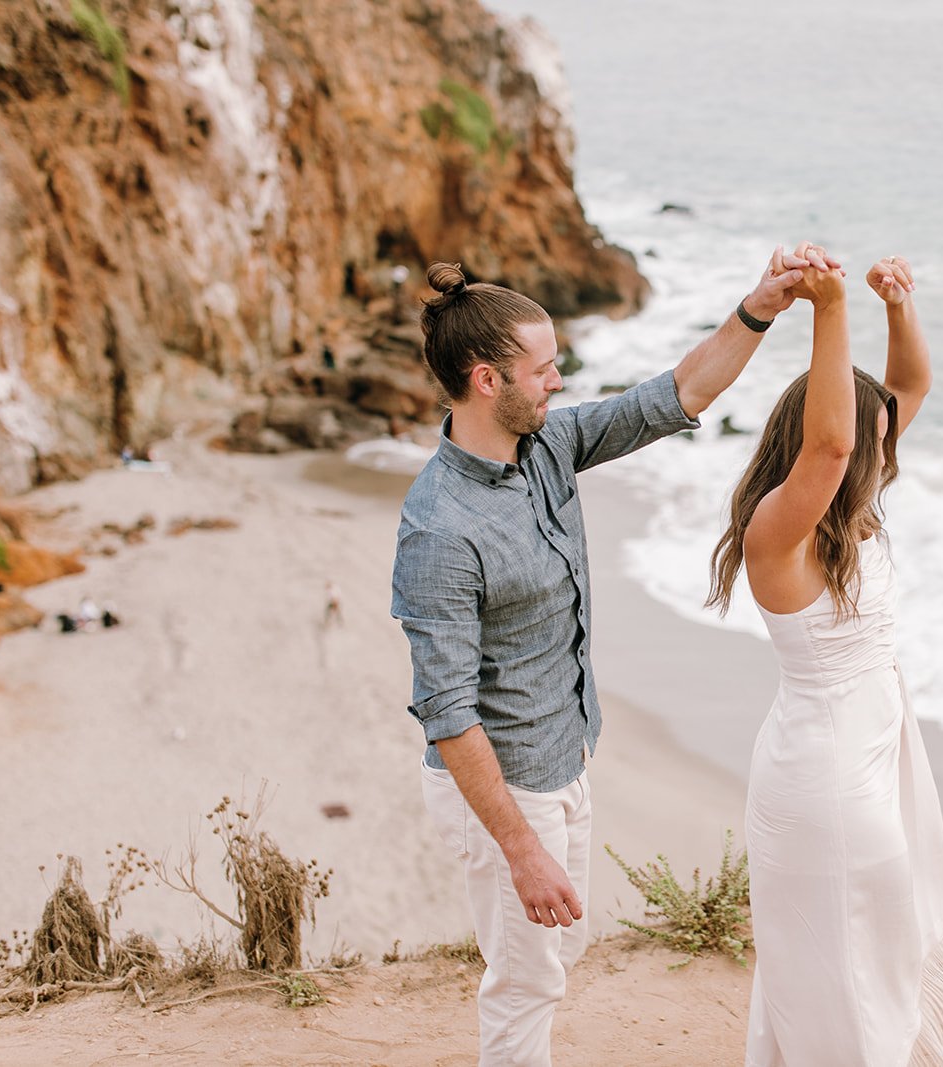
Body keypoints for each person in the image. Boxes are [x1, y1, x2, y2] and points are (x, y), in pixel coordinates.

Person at [391, 245, 828, 1066]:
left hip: (566, 755)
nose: (558, 381)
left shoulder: (547, 446)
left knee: (562, 951)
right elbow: (448, 714)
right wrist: (521, 849)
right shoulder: (438, 529)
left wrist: (760, 306)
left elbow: (674, 395)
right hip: (504, 786)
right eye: (545, 368)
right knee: (525, 983)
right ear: (488, 380)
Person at [707, 252, 943, 1065]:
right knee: (842, 977)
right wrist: (826, 308)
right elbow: (834, 444)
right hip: (826, 782)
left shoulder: (848, 516)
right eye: (873, 441)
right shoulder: (780, 532)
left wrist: (897, 308)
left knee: (867, 965)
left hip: (870, 755)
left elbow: (907, 392)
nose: (881, 449)